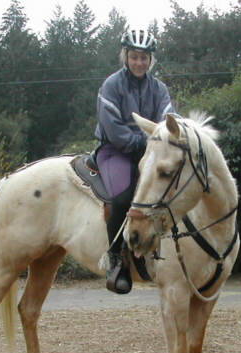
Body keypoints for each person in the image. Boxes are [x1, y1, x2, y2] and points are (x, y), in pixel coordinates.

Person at [95, 28, 176, 294]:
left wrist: (162, 142)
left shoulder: (159, 89)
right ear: (126, 57)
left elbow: (169, 121)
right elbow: (114, 130)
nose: (139, 62)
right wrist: (147, 141)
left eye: (144, 57)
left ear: (150, 59)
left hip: (149, 152)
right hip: (114, 151)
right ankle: (115, 259)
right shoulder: (111, 85)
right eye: (134, 57)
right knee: (122, 198)